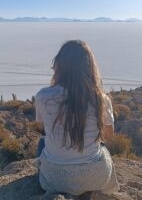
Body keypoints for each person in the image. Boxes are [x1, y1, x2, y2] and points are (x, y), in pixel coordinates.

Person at [35, 40, 119, 198]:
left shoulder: (43, 96)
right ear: (89, 68)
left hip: (55, 181)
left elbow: (45, 130)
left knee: (42, 143)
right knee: (101, 148)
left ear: (59, 65)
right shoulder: (101, 99)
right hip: (95, 178)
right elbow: (108, 137)